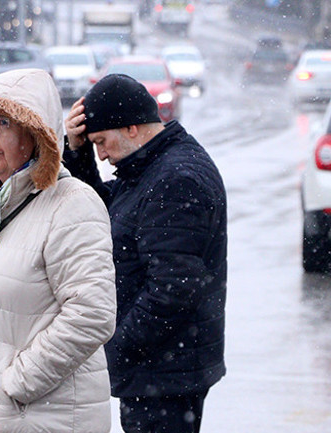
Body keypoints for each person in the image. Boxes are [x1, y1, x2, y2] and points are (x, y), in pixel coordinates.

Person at [0, 68, 117, 433]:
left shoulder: (71, 203)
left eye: (2, 121)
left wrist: (18, 384)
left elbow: (92, 313)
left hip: (44, 419)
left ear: (35, 134)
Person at [63, 73, 227, 433]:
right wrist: (76, 153)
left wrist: (113, 355)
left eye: (102, 142)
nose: (101, 154)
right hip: (161, 369)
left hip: (166, 374)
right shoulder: (151, 166)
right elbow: (108, 213)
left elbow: (173, 289)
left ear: (132, 128)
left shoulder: (175, 179)